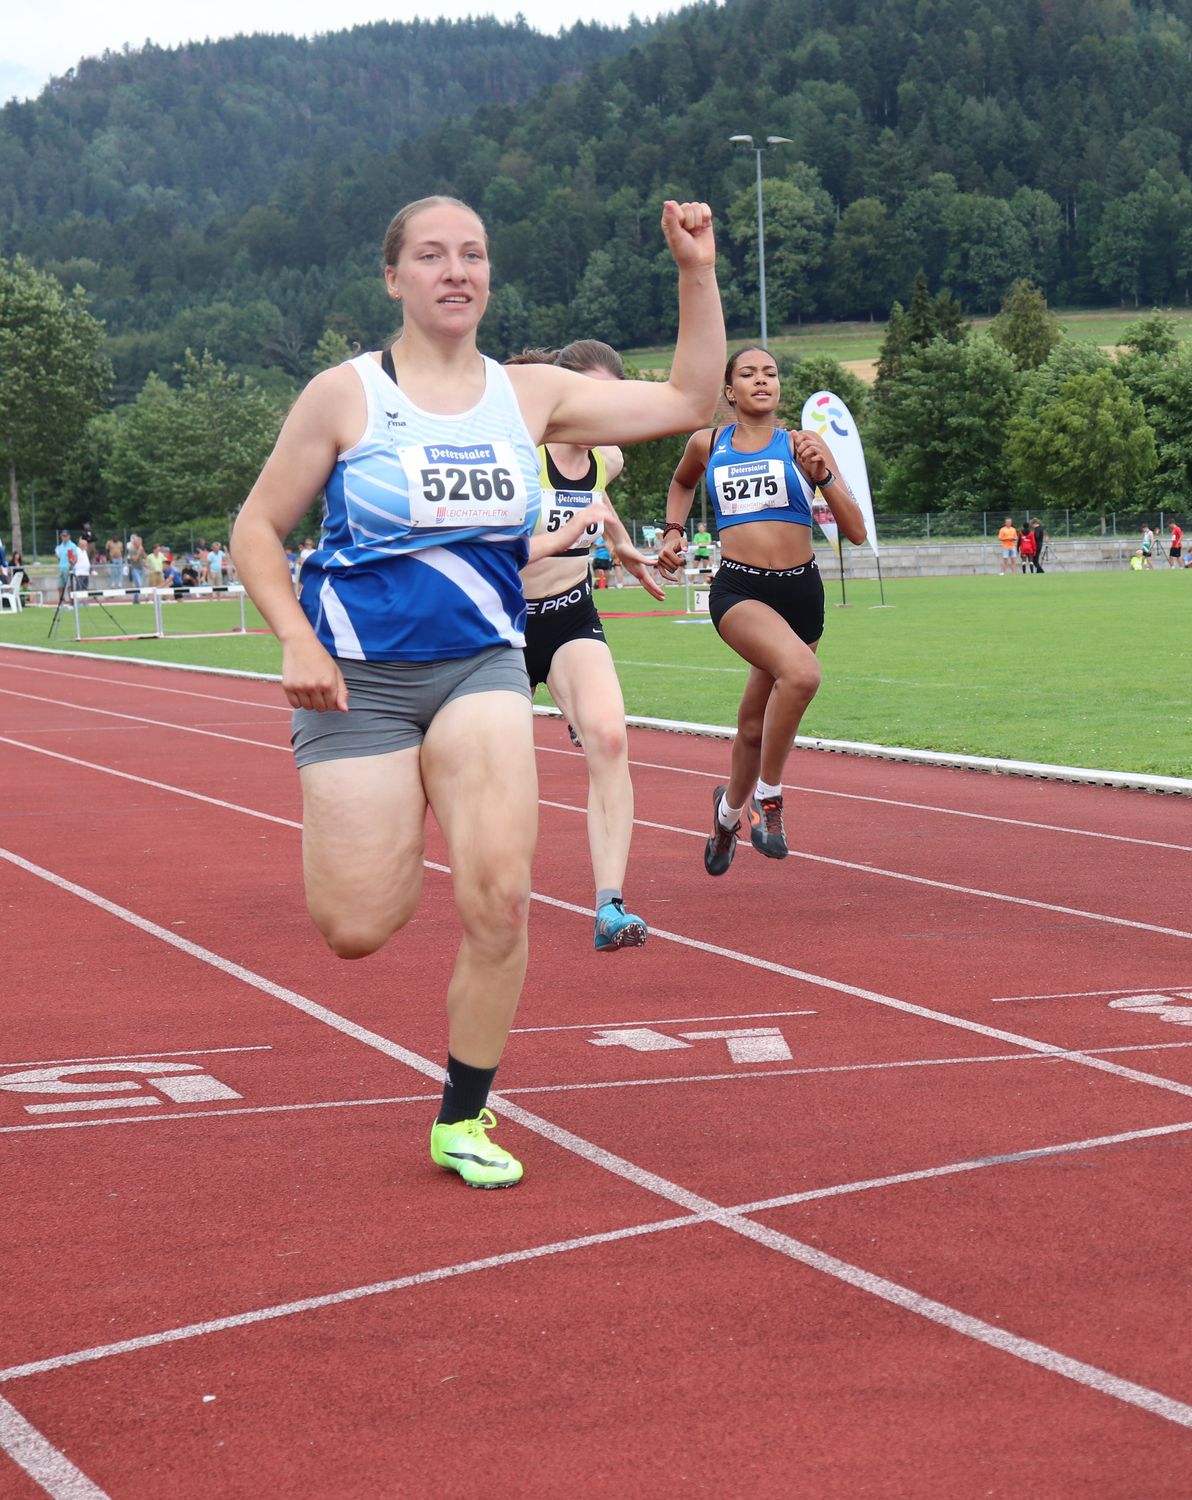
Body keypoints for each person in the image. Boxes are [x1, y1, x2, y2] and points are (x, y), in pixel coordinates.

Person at [229, 194, 724, 1190]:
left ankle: (463, 1112)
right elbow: (255, 531)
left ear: (489, 276)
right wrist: (294, 640)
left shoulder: (529, 395)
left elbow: (688, 403)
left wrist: (696, 269)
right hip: (357, 682)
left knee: (500, 895)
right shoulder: (344, 396)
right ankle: (391, 806)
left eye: (474, 255)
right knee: (358, 926)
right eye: (432, 255)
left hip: (482, 666)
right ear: (393, 277)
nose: (456, 271)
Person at [659, 345, 865, 877]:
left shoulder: (802, 445)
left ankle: (726, 815)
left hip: (801, 595)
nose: (761, 380)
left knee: (753, 725)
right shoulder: (707, 443)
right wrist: (674, 531)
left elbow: (857, 531)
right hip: (740, 590)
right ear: (730, 391)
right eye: (747, 374)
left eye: (770, 373)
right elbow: (682, 482)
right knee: (800, 674)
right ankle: (767, 802)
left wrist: (820, 477)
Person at [507, 340, 670, 953]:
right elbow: (502, 550)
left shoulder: (607, 457)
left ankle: (610, 907)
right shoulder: (519, 455)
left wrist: (622, 543)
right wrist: (573, 533)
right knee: (501, 768)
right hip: (501, 624)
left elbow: (596, 498)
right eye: (592, 397)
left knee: (609, 736)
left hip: (570, 612)